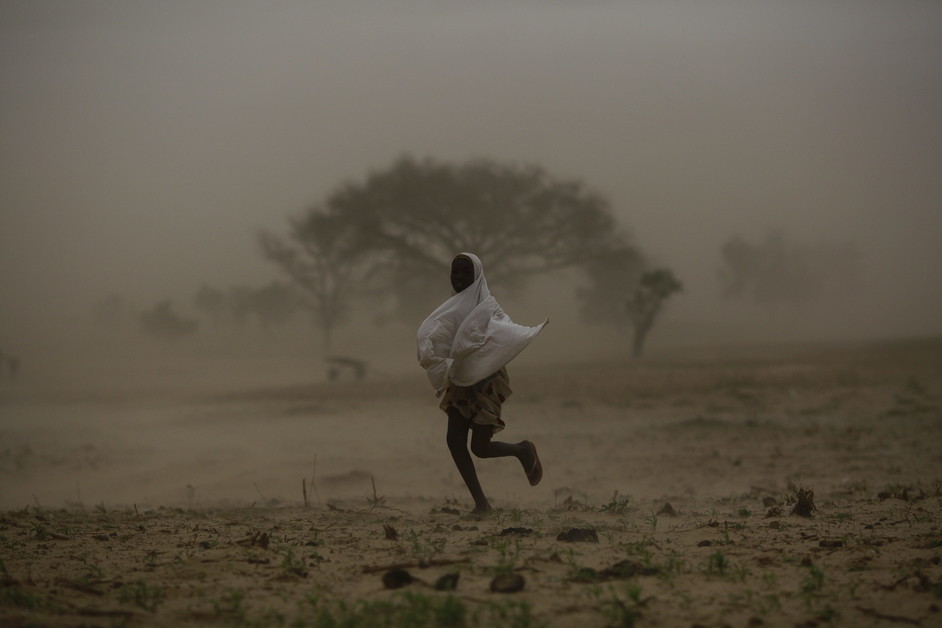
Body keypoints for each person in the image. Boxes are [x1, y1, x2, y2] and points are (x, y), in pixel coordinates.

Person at [417, 253, 547, 515]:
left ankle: (522, 450)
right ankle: (482, 504)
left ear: (477, 275)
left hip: (487, 382)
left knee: (480, 448)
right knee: (454, 441)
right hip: (459, 382)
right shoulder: (449, 308)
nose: (459, 277)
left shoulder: (489, 306)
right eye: (455, 272)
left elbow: (503, 332)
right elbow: (441, 336)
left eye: (466, 272)